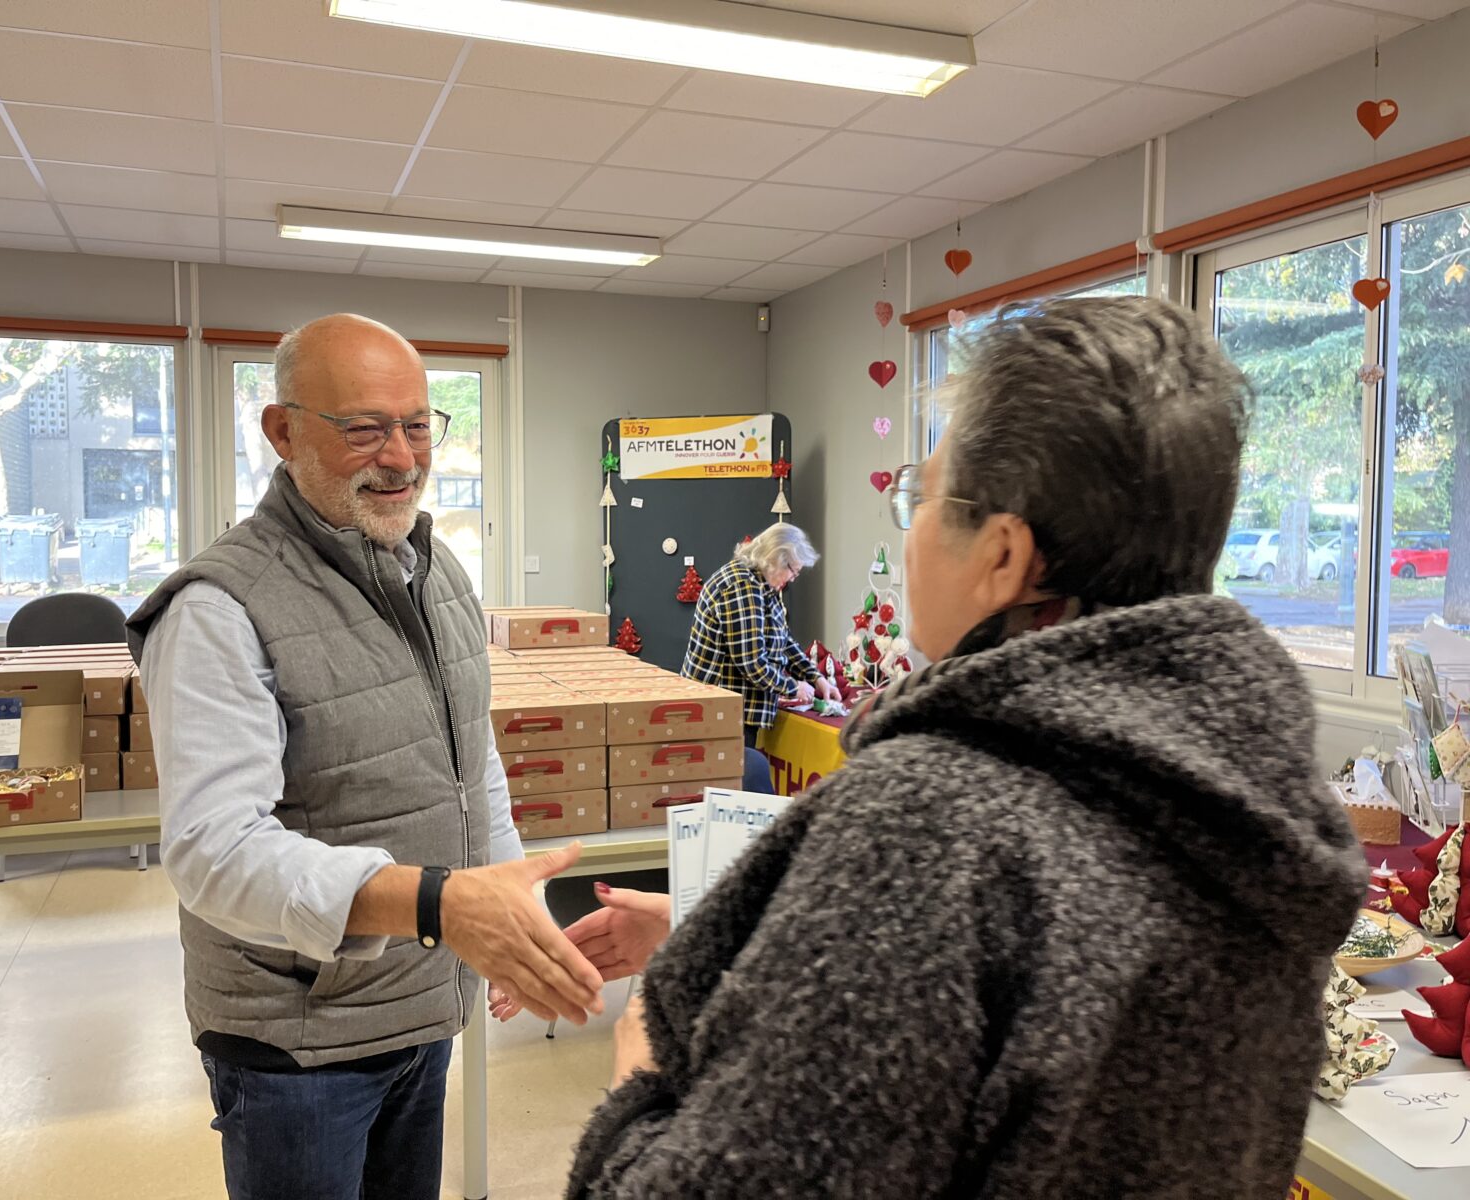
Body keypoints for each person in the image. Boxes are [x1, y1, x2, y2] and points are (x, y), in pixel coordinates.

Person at [559, 298, 1366, 1198]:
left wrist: (643, 1062)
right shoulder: (1256, 804)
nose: (909, 532)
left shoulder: (930, 817)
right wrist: (787, 950)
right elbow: (1040, 996)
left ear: (1004, 555)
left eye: (921, 497)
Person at [127, 313, 603, 1200]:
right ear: (282, 430)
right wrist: (437, 903)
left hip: (420, 1003)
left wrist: (507, 913)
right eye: (363, 429)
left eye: (418, 425)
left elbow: (473, 764)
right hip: (297, 1047)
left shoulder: (437, 571)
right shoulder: (219, 607)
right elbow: (212, 851)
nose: (401, 456)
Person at [681, 523, 839, 792]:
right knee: (730, 790)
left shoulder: (762, 585)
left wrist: (815, 678)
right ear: (775, 558)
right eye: (792, 570)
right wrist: (794, 687)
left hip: (739, 708)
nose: (793, 578)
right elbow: (752, 663)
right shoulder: (740, 587)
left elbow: (783, 640)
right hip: (721, 711)